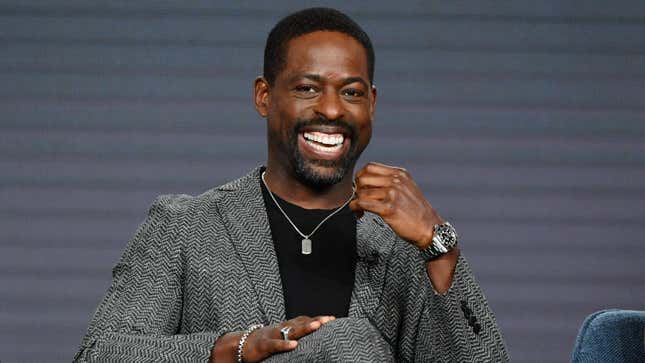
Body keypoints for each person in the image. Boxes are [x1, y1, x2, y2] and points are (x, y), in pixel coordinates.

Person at [74, 7, 508, 362]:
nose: (332, 110)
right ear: (264, 96)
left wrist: (438, 246)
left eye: (351, 92)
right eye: (307, 88)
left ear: (372, 104)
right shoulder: (186, 226)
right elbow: (100, 354)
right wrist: (235, 349)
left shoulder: (406, 244)